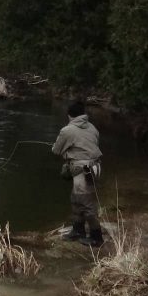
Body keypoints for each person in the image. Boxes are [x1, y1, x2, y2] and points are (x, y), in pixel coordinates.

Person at [52, 100, 104, 247]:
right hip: (94, 168)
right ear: (83, 114)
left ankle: (96, 237)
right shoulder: (92, 127)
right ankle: (78, 230)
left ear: (69, 115)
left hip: (83, 171)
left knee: (86, 204)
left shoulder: (67, 130)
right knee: (76, 199)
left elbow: (56, 150)